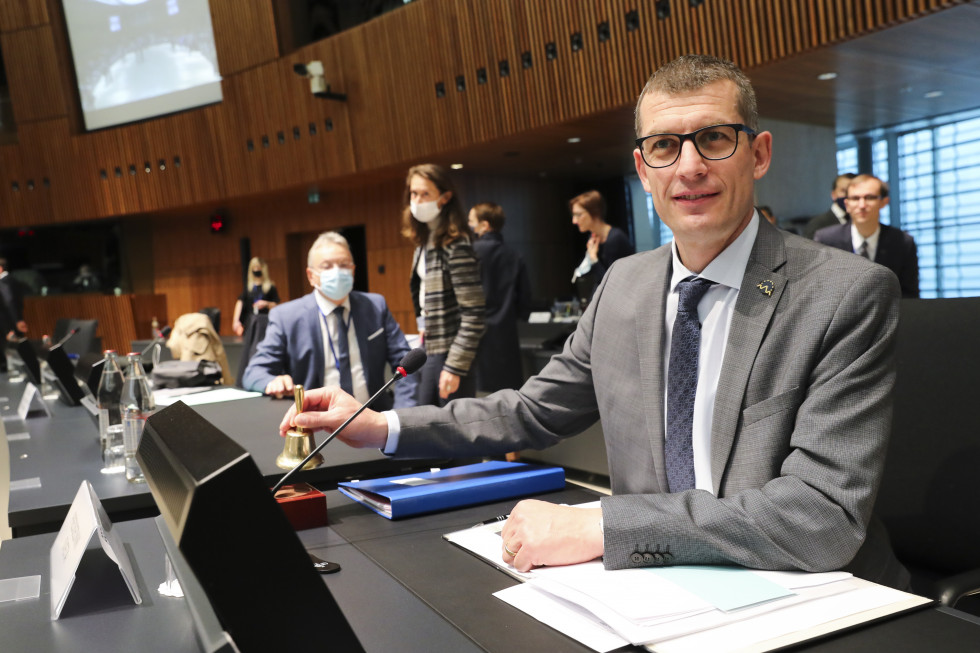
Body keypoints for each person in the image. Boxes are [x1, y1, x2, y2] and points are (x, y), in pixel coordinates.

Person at [279, 55, 908, 589]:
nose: (689, 166)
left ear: (758, 153)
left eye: (715, 138)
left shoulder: (845, 294)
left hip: (810, 594)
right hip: (658, 588)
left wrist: (604, 525)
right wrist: (379, 425)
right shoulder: (625, 286)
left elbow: (821, 517)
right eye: (664, 145)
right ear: (643, 169)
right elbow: (530, 412)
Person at [243, 232, 418, 410]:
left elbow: (406, 364)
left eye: (343, 265)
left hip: (375, 417)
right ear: (311, 276)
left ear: (353, 270)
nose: (337, 271)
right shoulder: (286, 317)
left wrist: (400, 417)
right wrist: (273, 382)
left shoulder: (375, 306)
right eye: (327, 266)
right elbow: (253, 373)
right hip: (317, 422)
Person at [404, 163, 486, 405]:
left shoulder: (456, 245)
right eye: (413, 193)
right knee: (427, 424)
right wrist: (423, 324)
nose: (418, 200)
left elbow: (474, 314)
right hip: (430, 346)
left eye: (425, 193)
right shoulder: (423, 243)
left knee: (450, 433)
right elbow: (423, 296)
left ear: (445, 197)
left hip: (450, 353)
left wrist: (455, 366)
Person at [814, 174, 919, 298]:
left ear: (884, 202)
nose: (862, 205)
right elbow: (819, 292)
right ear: (847, 204)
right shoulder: (826, 240)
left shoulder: (902, 242)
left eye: (869, 197)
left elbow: (909, 295)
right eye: (855, 198)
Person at [468, 202, 532, 392]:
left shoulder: (470, 252)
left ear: (485, 225)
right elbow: (525, 299)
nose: (469, 225)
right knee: (508, 394)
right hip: (506, 335)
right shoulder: (515, 255)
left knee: (477, 397)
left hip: (475, 334)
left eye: (471, 221)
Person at [569, 190, 634, 294]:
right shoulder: (593, 237)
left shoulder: (615, 239)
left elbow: (611, 284)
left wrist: (594, 258)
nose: (574, 221)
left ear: (594, 213)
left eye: (578, 215)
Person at [232, 257, 280, 337]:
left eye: (258, 267)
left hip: (265, 321)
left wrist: (266, 303)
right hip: (250, 322)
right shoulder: (248, 288)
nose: (256, 270)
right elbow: (240, 302)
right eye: (254, 267)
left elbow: (276, 305)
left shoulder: (270, 287)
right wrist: (236, 321)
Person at [802, 173, 855, 239]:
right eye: (844, 191)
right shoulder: (817, 225)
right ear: (833, 195)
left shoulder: (860, 221)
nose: (848, 195)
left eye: (853, 191)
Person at [0, 257, 28, 372]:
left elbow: (10, 303)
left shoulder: (4, 282)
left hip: (8, 324)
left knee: (12, 352)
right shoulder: (11, 280)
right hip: (11, 322)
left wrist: (16, 322)